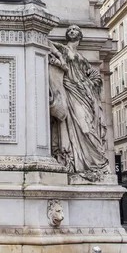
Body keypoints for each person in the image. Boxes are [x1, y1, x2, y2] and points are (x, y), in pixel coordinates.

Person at [48, 25, 109, 181]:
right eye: (70, 30)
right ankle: (83, 164)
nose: (72, 31)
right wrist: (60, 62)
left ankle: (95, 164)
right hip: (70, 90)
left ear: (80, 35)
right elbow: (47, 43)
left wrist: (89, 84)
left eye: (75, 29)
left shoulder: (81, 56)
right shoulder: (63, 49)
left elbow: (94, 75)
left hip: (83, 92)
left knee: (89, 126)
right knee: (83, 127)